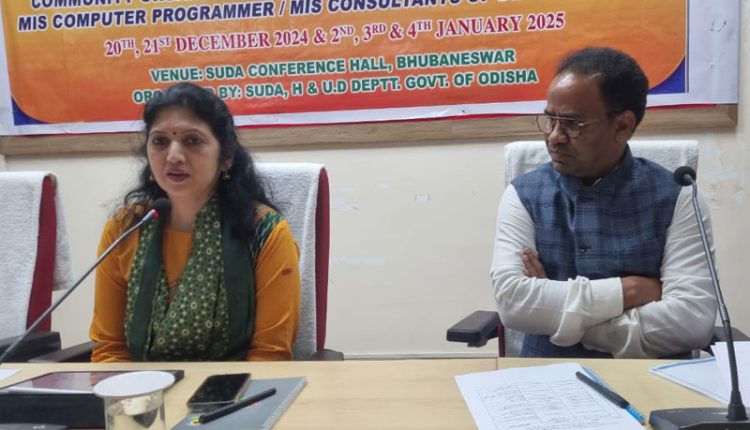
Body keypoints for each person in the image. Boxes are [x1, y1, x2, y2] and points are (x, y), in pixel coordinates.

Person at [490, 47, 718, 358]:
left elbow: (691, 322)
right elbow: (513, 304)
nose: (554, 137)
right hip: (545, 375)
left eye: (572, 123)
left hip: (648, 375)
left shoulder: (679, 195)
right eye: (550, 119)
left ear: (622, 126)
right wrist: (631, 291)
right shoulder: (523, 194)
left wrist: (566, 321)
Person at [90, 82, 300, 362]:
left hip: (234, 386)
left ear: (226, 157)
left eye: (192, 141)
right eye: (160, 141)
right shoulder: (125, 229)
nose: (173, 156)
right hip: (140, 386)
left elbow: (270, 355)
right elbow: (110, 350)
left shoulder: (264, 231)